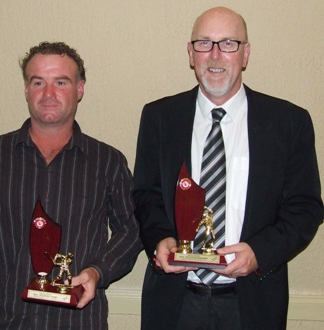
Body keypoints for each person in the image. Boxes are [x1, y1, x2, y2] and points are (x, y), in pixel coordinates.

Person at [133, 7, 323, 330]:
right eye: (204, 44)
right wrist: (160, 239)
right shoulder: (159, 118)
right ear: (191, 54)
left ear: (245, 54)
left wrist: (258, 253)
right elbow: (145, 195)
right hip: (175, 302)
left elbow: (306, 208)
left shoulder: (289, 122)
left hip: (252, 303)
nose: (216, 55)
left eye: (229, 44)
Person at [0, 41, 142, 330]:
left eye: (61, 82)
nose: (48, 94)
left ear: (79, 89)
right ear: (26, 89)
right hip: (6, 323)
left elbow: (132, 231)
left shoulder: (107, 161)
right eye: (38, 82)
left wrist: (97, 272)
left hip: (80, 323)